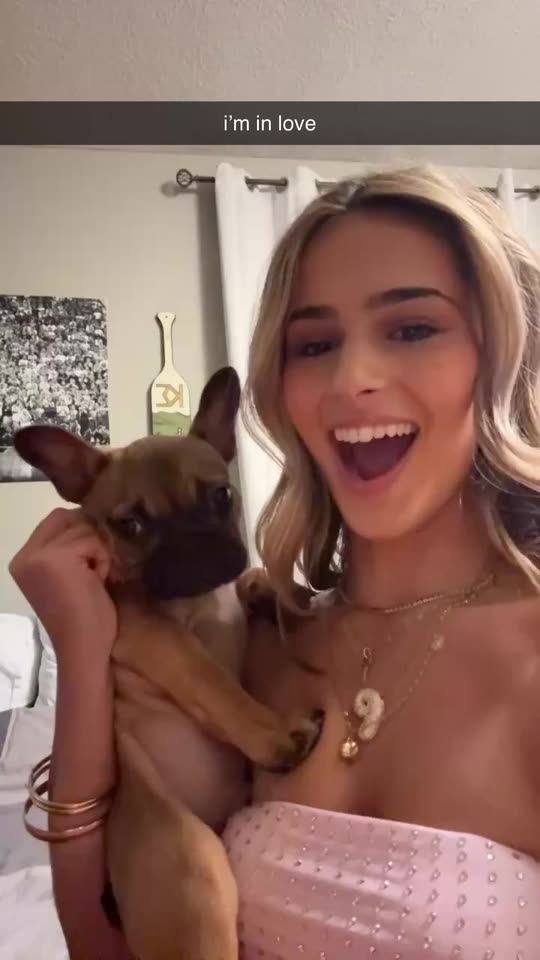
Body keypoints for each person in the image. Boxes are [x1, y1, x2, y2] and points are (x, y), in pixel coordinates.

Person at [10, 164, 540, 960]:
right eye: (314, 344)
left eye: (412, 328)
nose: (352, 379)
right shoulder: (268, 639)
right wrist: (83, 651)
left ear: (504, 354)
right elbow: (102, 943)